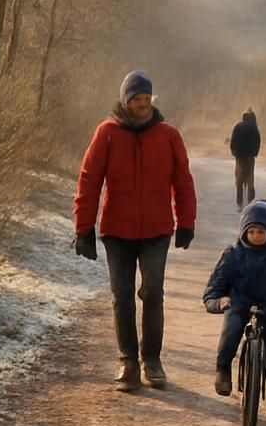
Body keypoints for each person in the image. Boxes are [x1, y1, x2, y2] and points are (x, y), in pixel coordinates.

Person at [72, 70, 197, 391]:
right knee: (122, 296)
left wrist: (186, 222)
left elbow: (182, 180)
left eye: (146, 99)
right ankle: (128, 362)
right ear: (125, 101)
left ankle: (151, 360)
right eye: (136, 99)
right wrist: (83, 229)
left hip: (157, 230)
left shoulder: (168, 135)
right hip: (116, 230)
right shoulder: (107, 133)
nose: (142, 105)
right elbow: (89, 179)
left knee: (153, 293)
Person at [203, 199, 266, 410]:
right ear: (244, 232)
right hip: (238, 304)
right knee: (230, 334)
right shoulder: (232, 256)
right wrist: (218, 301)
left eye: (261, 232)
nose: (256, 236)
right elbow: (214, 288)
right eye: (252, 232)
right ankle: (223, 370)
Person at [230, 108, 262, 208]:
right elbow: (258, 141)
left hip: (239, 157)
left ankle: (239, 203)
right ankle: (251, 204)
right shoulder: (254, 128)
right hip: (250, 157)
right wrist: (255, 153)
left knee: (239, 180)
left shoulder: (237, 126)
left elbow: (233, 142)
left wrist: (234, 153)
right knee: (250, 181)